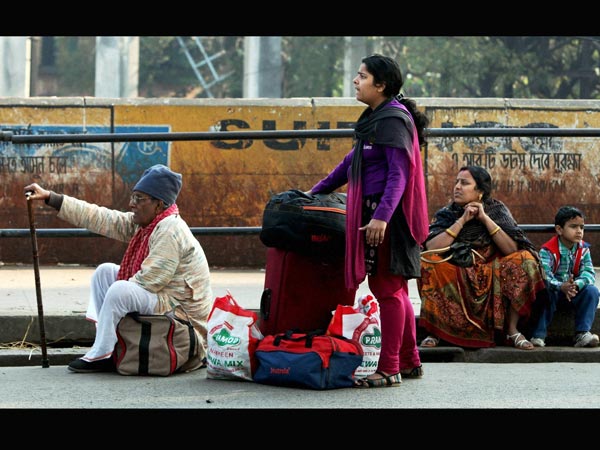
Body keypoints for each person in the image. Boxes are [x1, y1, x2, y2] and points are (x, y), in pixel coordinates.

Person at [308, 54, 430, 387]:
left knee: (386, 289)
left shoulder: (391, 120)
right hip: (382, 215)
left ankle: (390, 367)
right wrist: (311, 195)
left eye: (362, 76)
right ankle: (409, 359)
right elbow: (351, 164)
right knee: (397, 290)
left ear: (381, 85)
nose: (355, 81)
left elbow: (398, 174)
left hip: (387, 218)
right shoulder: (375, 119)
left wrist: (380, 218)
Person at [24, 164, 213, 373]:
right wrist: (52, 198)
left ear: (159, 204)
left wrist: (117, 301)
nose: (132, 204)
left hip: (182, 316)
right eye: (133, 197)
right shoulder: (147, 224)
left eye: (139, 199)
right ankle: (106, 343)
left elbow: (149, 281)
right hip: (164, 298)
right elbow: (100, 217)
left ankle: (102, 354)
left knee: (119, 290)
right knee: (105, 272)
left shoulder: (171, 230)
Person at [417, 165, 545, 350]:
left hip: (491, 268)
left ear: (480, 192)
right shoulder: (447, 213)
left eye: (464, 183)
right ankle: (436, 331)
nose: (457, 187)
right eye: (457, 182)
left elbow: (511, 249)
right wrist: (462, 221)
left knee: (524, 259)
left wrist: (484, 218)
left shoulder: (497, 210)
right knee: (429, 264)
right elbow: (431, 248)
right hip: (457, 268)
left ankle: (511, 329)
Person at [529, 206, 599, 348]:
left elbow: (589, 272)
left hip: (572, 292)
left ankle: (582, 333)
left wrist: (576, 285)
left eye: (582, 227)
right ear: (559, 230)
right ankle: (538, 334)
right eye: (573, 227)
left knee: (592, 291)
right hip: (554, 292)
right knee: (547, 291)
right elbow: (545, 276)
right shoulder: (547, 251)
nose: (579, 231)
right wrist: (561, 286)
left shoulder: (583, 249)